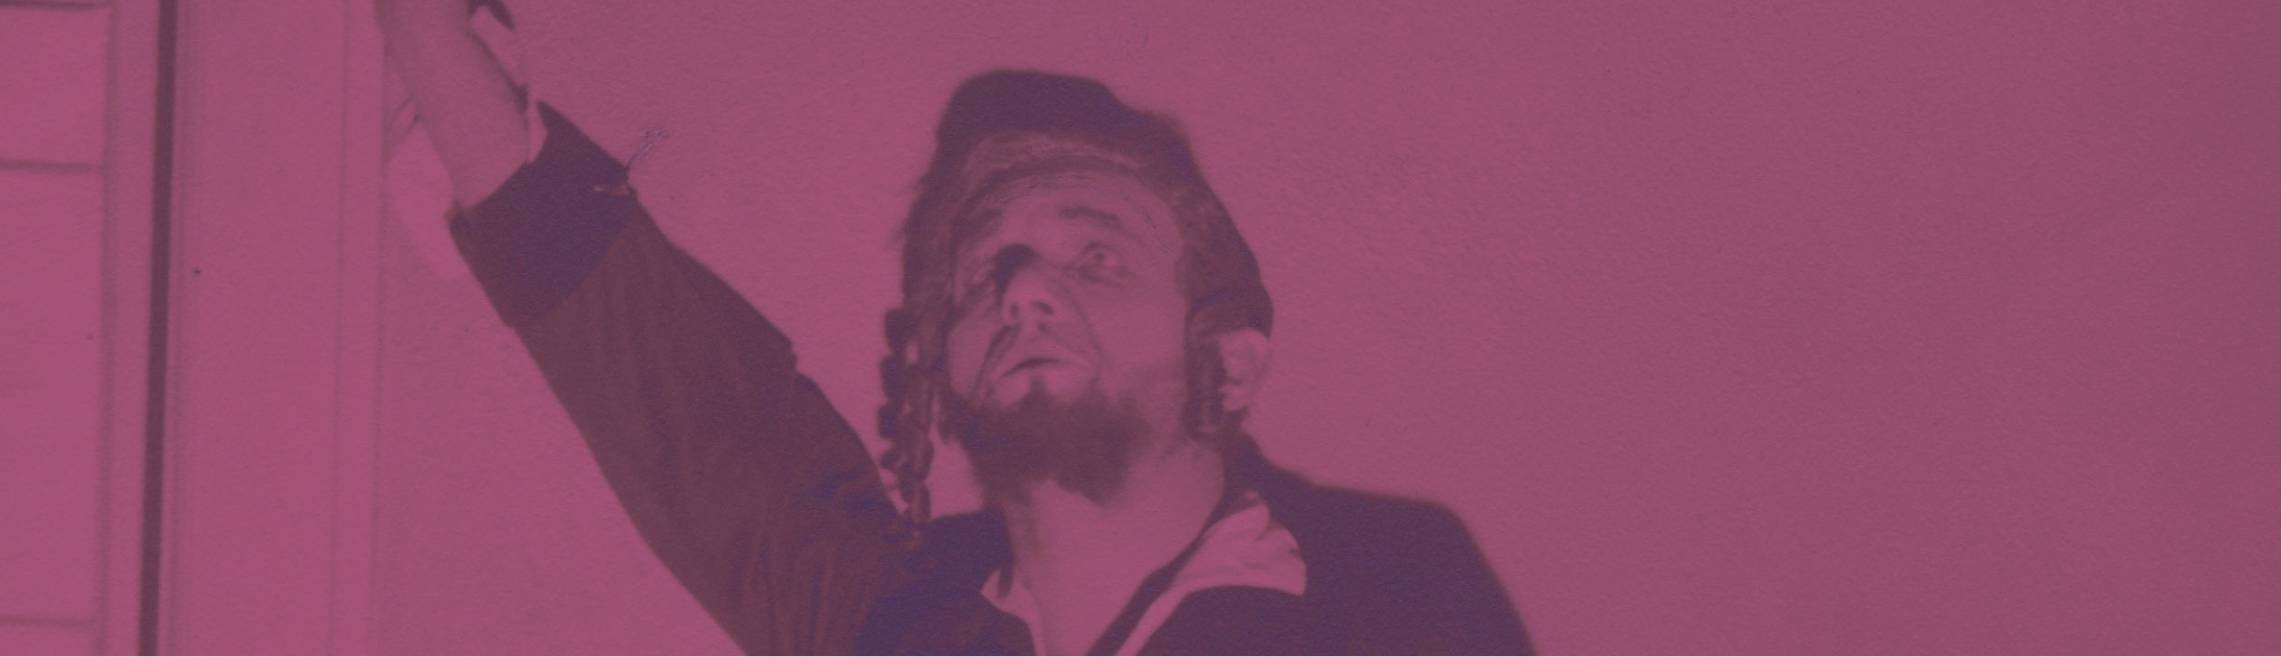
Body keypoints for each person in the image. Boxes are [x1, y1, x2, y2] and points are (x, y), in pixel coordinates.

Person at [379, 1, 1532, 653]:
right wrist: (441, 57)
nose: (1022, 289)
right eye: (982, 271)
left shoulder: (1388, 592)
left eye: (1097, 258)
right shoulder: (892, 623)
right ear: (944, 374)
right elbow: (693, 411)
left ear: (1227, 366)